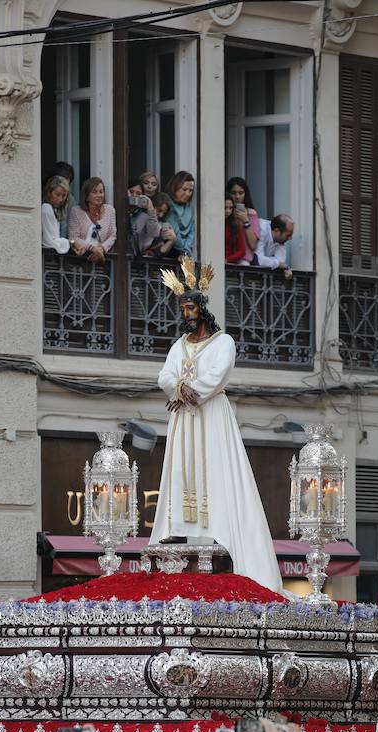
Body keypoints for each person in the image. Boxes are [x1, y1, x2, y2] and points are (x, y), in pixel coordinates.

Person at [150, 259, 283, 592]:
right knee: (181, 470)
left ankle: (215, 527)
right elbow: (164, 376)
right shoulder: (177, 346)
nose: (186, 314)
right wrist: (180, 389)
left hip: (211, 417)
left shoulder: (224, 343)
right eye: (183, 308)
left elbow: (214, 378)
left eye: (191, 307)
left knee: (214, 468)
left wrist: (185, 391)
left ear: (203, 309)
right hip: (184, 419)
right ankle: (178, 525)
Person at [68, 176, 116, 263]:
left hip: (102, 260)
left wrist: (101, 249)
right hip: (79, 259)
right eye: (94, 192)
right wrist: (92, 248)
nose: (99, 195)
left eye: (101, 192)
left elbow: (112, 236)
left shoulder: (110, 210)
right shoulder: (76, 211)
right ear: (86, 196)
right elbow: (73, 237)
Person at [226, 176, 260, 264]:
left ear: (245, 194)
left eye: (241, 193)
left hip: (244, 260)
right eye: (233, 193)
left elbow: (253, 245)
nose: (237, 196)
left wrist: (245, 220)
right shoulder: (224, 212)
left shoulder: (251, 214)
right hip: (225, 257)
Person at [165, 170, 195, 259]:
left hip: (185, 255)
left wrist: (186, 252)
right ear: (175, 187)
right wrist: (185, 251)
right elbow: (175, 231)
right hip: (170, 252)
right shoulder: (168, 205)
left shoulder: (190, 209)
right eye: (184, 189)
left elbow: (191, 233)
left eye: (190, 190)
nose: (188, 194)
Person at [127, 176, 161, 256]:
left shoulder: (144, 215)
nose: (134, 195)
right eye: (131, 192)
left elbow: (154, 233)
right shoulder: (116, 210)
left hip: (136, 259)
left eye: (138, 193)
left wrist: (150, 208)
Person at [255, 213, 295, 278]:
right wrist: (278, 264)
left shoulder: (280, 239)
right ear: (277, 231)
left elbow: (281, 261)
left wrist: (277, 264)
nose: (290, 238)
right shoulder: (261, 229)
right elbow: (259, 259)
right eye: (288, 235)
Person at [41, 175, 71, 253]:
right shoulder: (46, 208)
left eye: (64, 195)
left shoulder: (55, 210)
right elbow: (50, 242)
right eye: (57, 195)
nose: (61, 199)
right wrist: (71, 243)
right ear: (49, 193)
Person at [148, 192, 176, 257]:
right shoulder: (141, 219)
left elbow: (159, 252)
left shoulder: (162, 226)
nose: (161, 215)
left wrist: (172, 240)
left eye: (164, 213)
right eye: (159, 210)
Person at [225, 195, 247, 263]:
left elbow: (242, 251)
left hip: (229, 262)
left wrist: (227, 260)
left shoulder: (235, 225)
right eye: (225, 208)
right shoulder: (212, 224)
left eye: (230, 208)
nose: (228, 211)